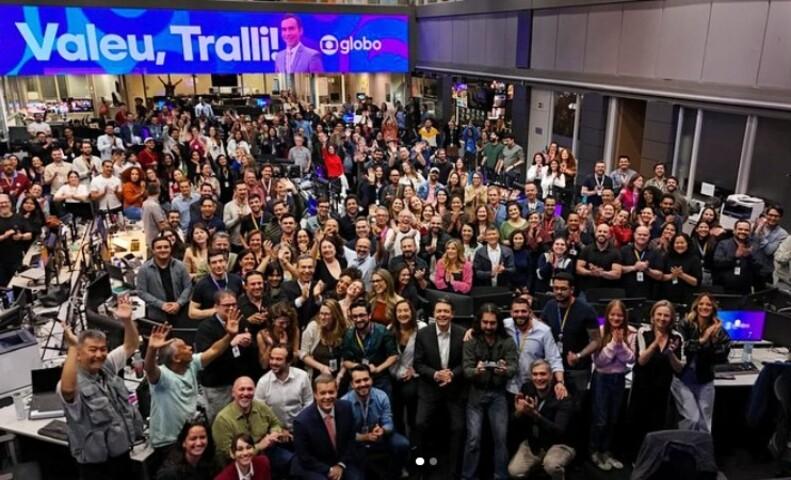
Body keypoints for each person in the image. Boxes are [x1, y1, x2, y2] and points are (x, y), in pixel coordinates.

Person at [58, 297, 143, 480]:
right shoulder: (74, 381)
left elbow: (131, 345)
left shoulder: (107, 366)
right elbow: (67, 390)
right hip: (96, 468)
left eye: (103, 349)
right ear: (79, 355)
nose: (99, 354)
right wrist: (72, 347)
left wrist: (127, 321)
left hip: (121, 456)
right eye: (92, 350)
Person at [145, 318, 238, 468]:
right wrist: (151, 349)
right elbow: (149, 369)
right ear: (176, 358)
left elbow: (214, 350)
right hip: (169, 442)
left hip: (191, 436)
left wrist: (229, 335)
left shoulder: (191, 364)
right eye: (184, 347)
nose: (190, 347)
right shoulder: (163, 376)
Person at [462, 304, 518, 480]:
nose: (488, 326)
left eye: (492, 323)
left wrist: (505, 370)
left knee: (501, 440)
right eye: (485, 322)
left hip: (498, 394)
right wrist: (477, 371)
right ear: (479, 322)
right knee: (473, 440)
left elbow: (513, 368)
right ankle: (468, 476)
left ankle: (500, 476)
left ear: (498, 323)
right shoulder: (471, 341)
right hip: (476, 394)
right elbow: (466, 370)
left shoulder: (508, 341)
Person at [413, 299, 467, 480]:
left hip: (454, 388)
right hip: (430, 387)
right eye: (439, 311)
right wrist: (437, 374)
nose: (442, 315)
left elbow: (466, 364)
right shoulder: (423, 334)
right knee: (420, 424)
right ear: (433, 314)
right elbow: (418, 364)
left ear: (452, 314)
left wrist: (452, 374)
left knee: (459, 428)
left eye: (446, 311)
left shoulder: (462, 334)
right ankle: (422, 467)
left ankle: (454, 472)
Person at [625, 300, 683, 457]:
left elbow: (679, 368)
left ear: (671, 319)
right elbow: (642, 360)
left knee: (657, 422)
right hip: (643, 385)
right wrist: (656, 342)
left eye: (666, 315)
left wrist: (670, 353)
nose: (662, 318)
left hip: (663, 386)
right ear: (652, 316)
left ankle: (653, 456)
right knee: (638, 421)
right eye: (659, 314)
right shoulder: (643, 332)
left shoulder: (676, 337)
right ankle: (635, 456)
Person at [539, 273, 600, 408]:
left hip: (578, 369)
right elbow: (541, 330)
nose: (559, 292)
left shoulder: (586, 309)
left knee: (576, 407)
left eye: (563, 289)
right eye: (555, 288)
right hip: (554, 366)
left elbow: (596, 341)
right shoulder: (549, 306)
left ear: (572, 290)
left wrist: (579, 355)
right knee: (554, 406)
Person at [672, 293, 731, 432]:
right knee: (692, 420)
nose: (705, 307)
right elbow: (680, 346)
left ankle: (702, 452)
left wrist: (713, 342)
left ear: (713, 308)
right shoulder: (684, 324)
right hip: (683, 380)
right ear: (696, 306)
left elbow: (723, 357)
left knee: (705, 423)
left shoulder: (719, 330)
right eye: (702, 304)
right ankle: (686, 449)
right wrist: (702, 340)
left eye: (708, 304)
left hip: (705, 380)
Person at [507, 360, 575, 480]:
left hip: (559, 444)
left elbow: (559, 431)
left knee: (552, 465)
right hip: (534, 443)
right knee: (514, 471)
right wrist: (518, 412)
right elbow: (513, 424)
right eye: (535, 374)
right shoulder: (527, 388)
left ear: (551, 376)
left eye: (543, 374)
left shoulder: (562, 395)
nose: (539, 378)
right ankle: (540, 463)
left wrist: (535, 416)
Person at [212, 376, 293, 475]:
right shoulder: (223, 419)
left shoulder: (260, 406)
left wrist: (274, 433)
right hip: (238, 463)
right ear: (233, 393)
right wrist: (259, 446)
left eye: (249, 389)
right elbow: (229, 454)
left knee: (293, 462)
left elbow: (275, 423)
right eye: (242, 389)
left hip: (266, 453)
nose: (246, 393)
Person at [589, 300, 635, 471]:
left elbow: (630, 359)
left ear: (624, 316)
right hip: (602, 379)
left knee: (613, 419)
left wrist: (621, 343)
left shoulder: (631, 333)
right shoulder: (599, 332)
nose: (616, 318)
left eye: (619, 315)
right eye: (613, 314)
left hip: (619, 379)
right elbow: (600, 361)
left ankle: (606, 451)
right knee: (600, 419)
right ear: (607, 315)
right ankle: (594, 451)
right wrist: (614, 343)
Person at [195, 291, 255, 423]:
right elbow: (205, 359)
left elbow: (252, 352)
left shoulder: (242, 321)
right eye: (226, 305)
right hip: (217, 385)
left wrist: (248, 344)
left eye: (234, 304)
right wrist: (231, 343)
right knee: (220, 422)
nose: (231, 308)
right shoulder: (206, 327)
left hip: (238, 381)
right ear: (216, 307)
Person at [341, 364, 410, 477]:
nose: (363, 384)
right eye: (358, 381)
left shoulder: (381, 396)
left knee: (402, 444)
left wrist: (383, 430)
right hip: (355, 443)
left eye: (366, 379)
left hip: (378, 438)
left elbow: (388, 422)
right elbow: (344, 435)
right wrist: (365, 437)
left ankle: (394, 473)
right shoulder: (344, 403)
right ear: (351, 384)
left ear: (371, 380)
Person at [291, 373, 363, 479]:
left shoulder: (346, 408)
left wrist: (341, 465)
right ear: (315, 394)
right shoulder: (301, 422)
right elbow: (305, 457)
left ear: (336, 391)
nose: (327, 397)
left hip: (342, 461)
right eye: (323, 393)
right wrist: (330, 470)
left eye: (331, 392)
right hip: (315, 467)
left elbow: (350, 440)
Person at [503, 296, 566, 401]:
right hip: (509, 386)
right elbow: (485, 327)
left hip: (533, 385)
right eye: (516, 311)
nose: (520, 315)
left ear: (530, 312)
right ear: (511, 313)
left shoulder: (543, 330)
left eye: (523, 311)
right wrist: (472, 331)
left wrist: (560, 382)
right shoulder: (505, 325)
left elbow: (554, 358)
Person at [342, 300, 399, 396]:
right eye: (355, 316)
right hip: (358, 379)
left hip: (380, 378)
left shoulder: (382, 331)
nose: (358, 319)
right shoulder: (349, 334)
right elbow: (346, 361)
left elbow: (394, 356)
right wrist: (358, 367)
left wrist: (377, 369)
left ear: (369, 315)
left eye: (362, 315)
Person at [255, 345, 313, 435]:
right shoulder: (263, 382)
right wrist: (277, 430)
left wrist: (300, 425)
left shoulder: (302, 377)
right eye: (271, 358)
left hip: (301, 428)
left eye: (278, 359)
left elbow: (309, 402)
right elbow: (259, 413)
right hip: (275, 433)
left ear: (289, 361)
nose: (273, 362)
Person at [136, 236, 193, 326]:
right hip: (157, 317)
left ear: (171, 249)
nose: (163, 250)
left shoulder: (180, 266)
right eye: (159, 247)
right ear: (153, 250)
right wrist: (161, 305)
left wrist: (179, 303)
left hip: (181, 313)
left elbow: (188, 286)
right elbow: (141, 291)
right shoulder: (144, 269)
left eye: (166, 247)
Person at [575, 223, 622, 293]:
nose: (602, 234)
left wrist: (602, 273)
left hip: (607, 292)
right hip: (587, 291)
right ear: (595, 233)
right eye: (599, 231)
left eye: (605, 232)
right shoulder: (586, 249)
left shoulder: (615, 252)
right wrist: (591, 273)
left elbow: (617, 274)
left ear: (609, 235)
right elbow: (578, 269)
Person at [713, 219, 755, 294]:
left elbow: (756, 268)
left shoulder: (752, 246)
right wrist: (735, 256)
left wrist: (748, 257)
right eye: (740, 229)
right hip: (724, 288)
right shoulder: (723, 244)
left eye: (746, 230)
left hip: (744, 290)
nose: (743, 232)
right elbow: (717, 263)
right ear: (734, 231)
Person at [753, 206, 788, 289]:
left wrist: (761, 236)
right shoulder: (758, 226)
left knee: (761, 298)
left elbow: (769, 251)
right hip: (749, 268)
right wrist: (755, 229)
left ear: (780, 218)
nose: (772, 218)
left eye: (776, 216)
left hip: (764, 271)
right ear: (765, 215)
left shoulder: (782, 234)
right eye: (770, 215)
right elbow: (750, 244)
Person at [661, 233, 702, 305]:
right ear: (673, 244)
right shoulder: (666, 257)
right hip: (667, 296)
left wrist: (681, 275)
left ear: (687, 244)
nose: (679, 245)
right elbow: (660, 277)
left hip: (688, 297)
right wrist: (672, 276)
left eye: (682, 243)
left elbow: (696, 282)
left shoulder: (694, 259)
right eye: (677, 243)